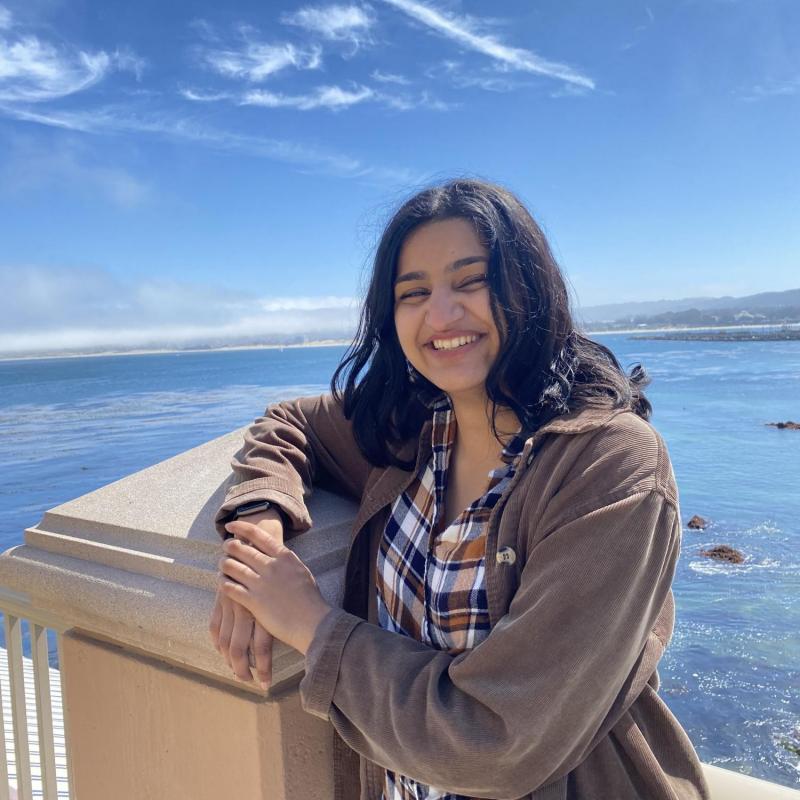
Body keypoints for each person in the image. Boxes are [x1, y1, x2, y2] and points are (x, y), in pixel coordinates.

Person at [209, 178, 710, 800]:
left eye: (471, 281)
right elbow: (288, 422)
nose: (441, 315)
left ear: (529, 288)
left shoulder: (608, 464)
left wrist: (310, 623)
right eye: (412, 292)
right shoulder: (414, 427)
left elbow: (498, 739)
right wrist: (260, 526)